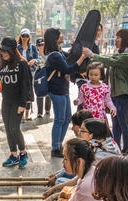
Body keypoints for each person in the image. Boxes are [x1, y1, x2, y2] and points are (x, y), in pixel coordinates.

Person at [83, 28, 128, 156]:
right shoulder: (121, 54)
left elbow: (110, 62)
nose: (116, 40)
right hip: (115, 94)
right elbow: (108, 61)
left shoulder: (127, 56)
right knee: (116, 123)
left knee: (123, 122)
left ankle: (127, 149)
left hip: (122, 94)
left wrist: (92, 55)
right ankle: (116, 147)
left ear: (126, 40)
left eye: (118, 37)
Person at [0, 37, 31, 168]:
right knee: (8, 129)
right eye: (1, 51)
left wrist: (23, 104)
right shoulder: (2, 64)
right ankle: (13, 155)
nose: (2, 53)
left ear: (13, 51)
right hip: (6, 101)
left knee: (14, 128)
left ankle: (23, 153)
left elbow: (26, 85)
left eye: (5, 51)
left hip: (18, 101)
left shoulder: (22, 64)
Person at [44, 28, 87, 158]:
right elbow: (68, 69)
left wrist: (76, 48)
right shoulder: (55, 55)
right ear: (55, 38)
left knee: (67, 118)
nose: (62, 35)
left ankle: (59, 145)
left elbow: (70, 59)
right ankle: (55, 148)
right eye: (60, 34)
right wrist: (83, 57)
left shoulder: (59, 52)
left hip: (63, 90)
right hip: (57, 90)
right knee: (59, 119)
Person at [17, 29, 38, 122]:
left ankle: (27, 114)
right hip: (20, 72)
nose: (25, 38)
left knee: (29, 91)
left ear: (29, 37)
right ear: (20, 36)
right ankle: (21, 115)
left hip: (31, 71)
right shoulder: (17, 48)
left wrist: (34, 60)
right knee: (21, 92)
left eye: (27, 36)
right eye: (23, 36)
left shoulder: (33, 47)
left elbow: (37, 58)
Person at [35, 38, 52, 119]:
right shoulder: (35, 56)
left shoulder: (49, 55)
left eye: (43, 44)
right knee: (39, 93)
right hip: (39, 77)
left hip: (48, 76)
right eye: (40, 45)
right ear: (37, 46)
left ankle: (47, 110)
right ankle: (39, 112)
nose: (41, 46)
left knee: (48, 93)